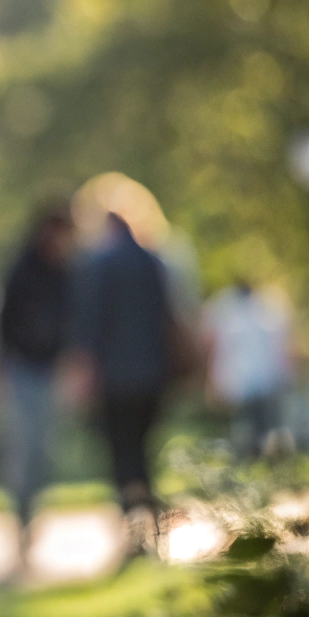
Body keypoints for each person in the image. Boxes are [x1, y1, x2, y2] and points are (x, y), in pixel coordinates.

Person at [66, 212, 176, 553]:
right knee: (143, 450)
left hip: (115, 378)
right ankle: (151, 524)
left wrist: (82, 373)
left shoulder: (98, 264)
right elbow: (168, 317)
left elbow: (88, 323)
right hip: (152, 374)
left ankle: (134, 530)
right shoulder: (154, 262)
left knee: (122, 453)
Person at [0, 204, 75, 570]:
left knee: (42, 452)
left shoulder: (65, 272)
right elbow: (4, 323)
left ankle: (31, 520)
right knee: (25, 450)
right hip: (24, 370)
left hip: (50, 369)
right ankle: (21, 523)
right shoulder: (23, 269)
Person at [203, 279, 294, 458]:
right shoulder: (224, 307)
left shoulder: (267, 307)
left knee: (263, 429)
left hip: (261, 381)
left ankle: (261, 462)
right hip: (242, 382)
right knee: (246, 429)